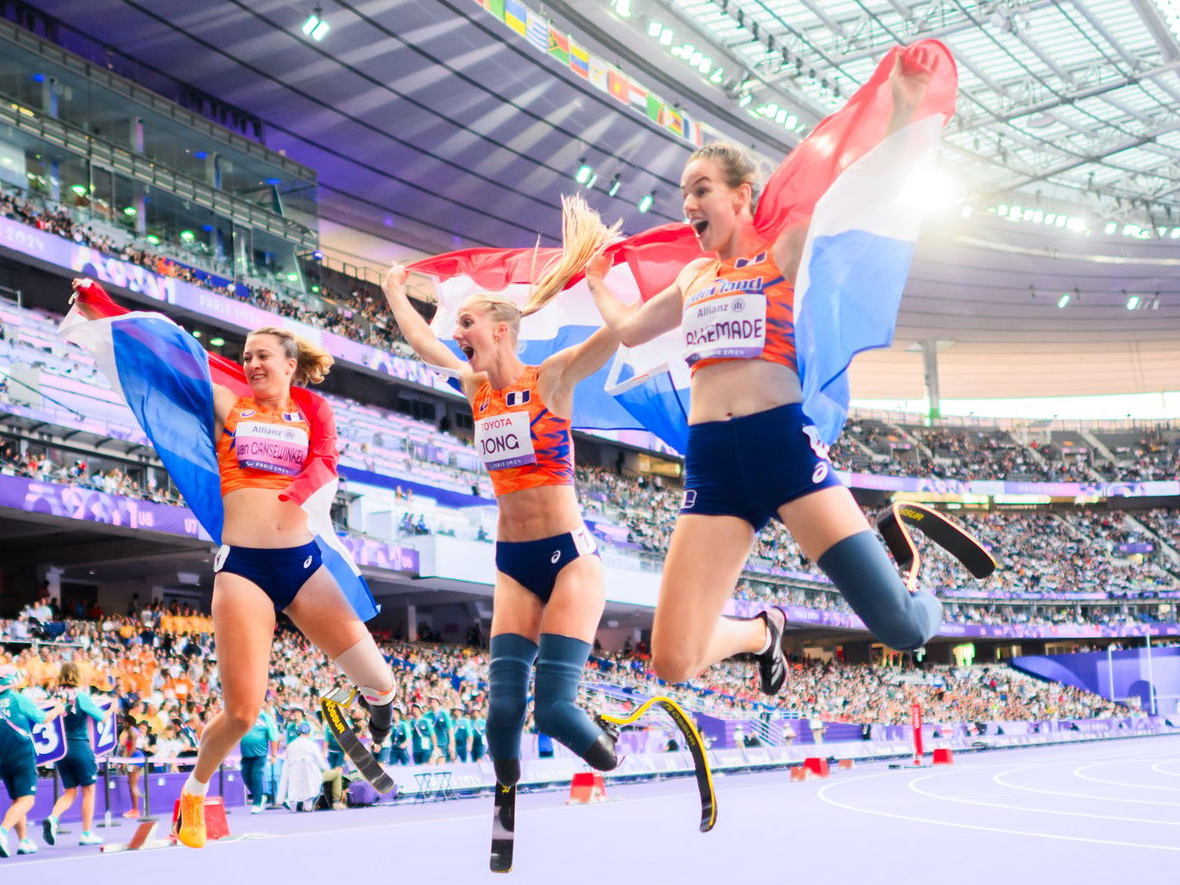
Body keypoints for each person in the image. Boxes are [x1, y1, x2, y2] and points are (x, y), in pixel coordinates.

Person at [581, 50, 946, 693]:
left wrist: (906, 108)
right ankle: (759, 632)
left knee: (903, 629)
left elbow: (866, 195)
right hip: (713, 465)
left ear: (741, 196)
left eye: (701, 189)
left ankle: (913, 575)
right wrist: (594, 280)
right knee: (672, 661)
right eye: (683, 194)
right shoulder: (694, 276)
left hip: (781, 446)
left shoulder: (784, 252)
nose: (688, 204)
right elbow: (633, 330)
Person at [68, 279, 399, 849]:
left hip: (303, 564)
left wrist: (301, 493)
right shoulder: (229, 406)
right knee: (243, 713)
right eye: (245, 357)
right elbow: (166, 358)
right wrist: (105, 308)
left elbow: (325, 462)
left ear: (291, 364)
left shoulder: (315, 410)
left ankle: (348, 705)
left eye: (263, 356)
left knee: (384, 686)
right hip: (244, 569)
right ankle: (192, 796)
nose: (251, 365)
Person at [384, 212, 624, 795]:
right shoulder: (475, 389)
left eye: (465, 322)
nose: (456, 331)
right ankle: (506, 801)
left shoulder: (553, 379)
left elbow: (619, 333)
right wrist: (394, 291)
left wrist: (599, 285)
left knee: (556, 714)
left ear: (502, 330)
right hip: (512, 563)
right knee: (499, 719)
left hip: (569, 560)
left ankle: (614, 747)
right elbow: (421, 341)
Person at [0, 665, 63, 858]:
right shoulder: (18, 699)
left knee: (17, 800)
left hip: (4, 758)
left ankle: (24, 841)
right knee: (27, 799)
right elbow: (42, 718)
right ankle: (2, 831)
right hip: (23, 754)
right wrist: (58, 709)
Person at [41, 663, 106, 847]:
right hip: (79, 745)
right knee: (89, 791)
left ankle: (53, 817)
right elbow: (101, 717)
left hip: (61, 749)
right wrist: (111, 708)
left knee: (69, 792)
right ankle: (86, 833)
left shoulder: (54, 697)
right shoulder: (81, 696)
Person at [238, 700, 276, 814]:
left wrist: (274, 754)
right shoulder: (244, 718)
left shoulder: (265, 718)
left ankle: (257, 803)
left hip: (260, 754)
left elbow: (273, 737)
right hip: (246, 754)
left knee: (256, 776)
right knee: (246, 777)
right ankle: (260, 796)